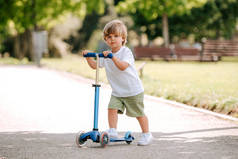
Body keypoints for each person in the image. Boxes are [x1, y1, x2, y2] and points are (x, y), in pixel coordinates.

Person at [82, 19, 153, 146]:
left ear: (123, 38)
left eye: (116, 36)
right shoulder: (106, 54)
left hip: (133, 90)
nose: (112, 39)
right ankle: (113, 130)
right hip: (118, 91)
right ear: (105, 39)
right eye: (109, 37)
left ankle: (146, 134)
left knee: (139, 113)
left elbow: (123, 66)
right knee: (111, 108)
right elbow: (95, 66)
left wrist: (112, 57)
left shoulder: (125, 52)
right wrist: (88, 58)